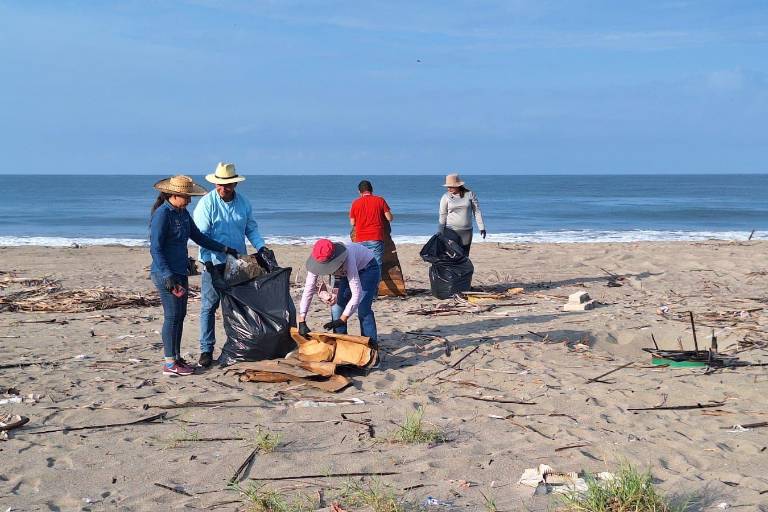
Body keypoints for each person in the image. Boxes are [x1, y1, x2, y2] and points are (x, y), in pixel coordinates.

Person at [149, 175, 238, 376]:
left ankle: (176, 358)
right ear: (174, 195)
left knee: (179, 317)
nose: (189, 200)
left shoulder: (182, 213)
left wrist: (224, 248)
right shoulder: (162, 215)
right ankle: (170, 363)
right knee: (172, 317)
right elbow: (155, 249)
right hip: (166, 274)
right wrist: (167, 275)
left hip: (181, 272)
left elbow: (198, 237)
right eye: (186, 197)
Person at [192, 162, 276, 368]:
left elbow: (251, 229)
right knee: (209, 307)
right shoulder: (206, 204)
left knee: (240, 307)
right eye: (220, 184)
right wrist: (210, 266)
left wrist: (262, 247)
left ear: (235, 184)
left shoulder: (244, 204)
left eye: (228, 184)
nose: (223, 188)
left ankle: (242, 344)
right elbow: (201, 237)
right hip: (213, 263)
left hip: (238, 264)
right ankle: (206, 349)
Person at [297, 239, 380, 344]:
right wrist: (302, 320)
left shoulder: (348, 257)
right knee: (337, 308)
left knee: (363, 309)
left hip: (367, 268)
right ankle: (341, 344)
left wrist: (343, 318)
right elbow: (308, 289)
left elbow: (356, 294)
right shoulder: (317, 257)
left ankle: (371, 347)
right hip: (342, 273)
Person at [438, 173, 486, 256]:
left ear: (458, 185)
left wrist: (481, 227)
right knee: (453, 255)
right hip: (450, 230)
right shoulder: (445, 197)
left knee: (464, 256)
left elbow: (477, 211)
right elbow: (442, 214)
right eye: (447, 187)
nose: (449, 189)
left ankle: (462, 269)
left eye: (451, 186)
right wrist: (440, 232)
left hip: (466, 232)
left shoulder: (470, 194)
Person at [349, 180, 393, 266]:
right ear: (372, 190)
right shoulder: (380, 200)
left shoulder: (355, 203)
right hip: (375, 237)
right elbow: (389, 218)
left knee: (362, 266)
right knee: (376, 265)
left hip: (360, 238)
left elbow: (352, 222)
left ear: (359, 192)